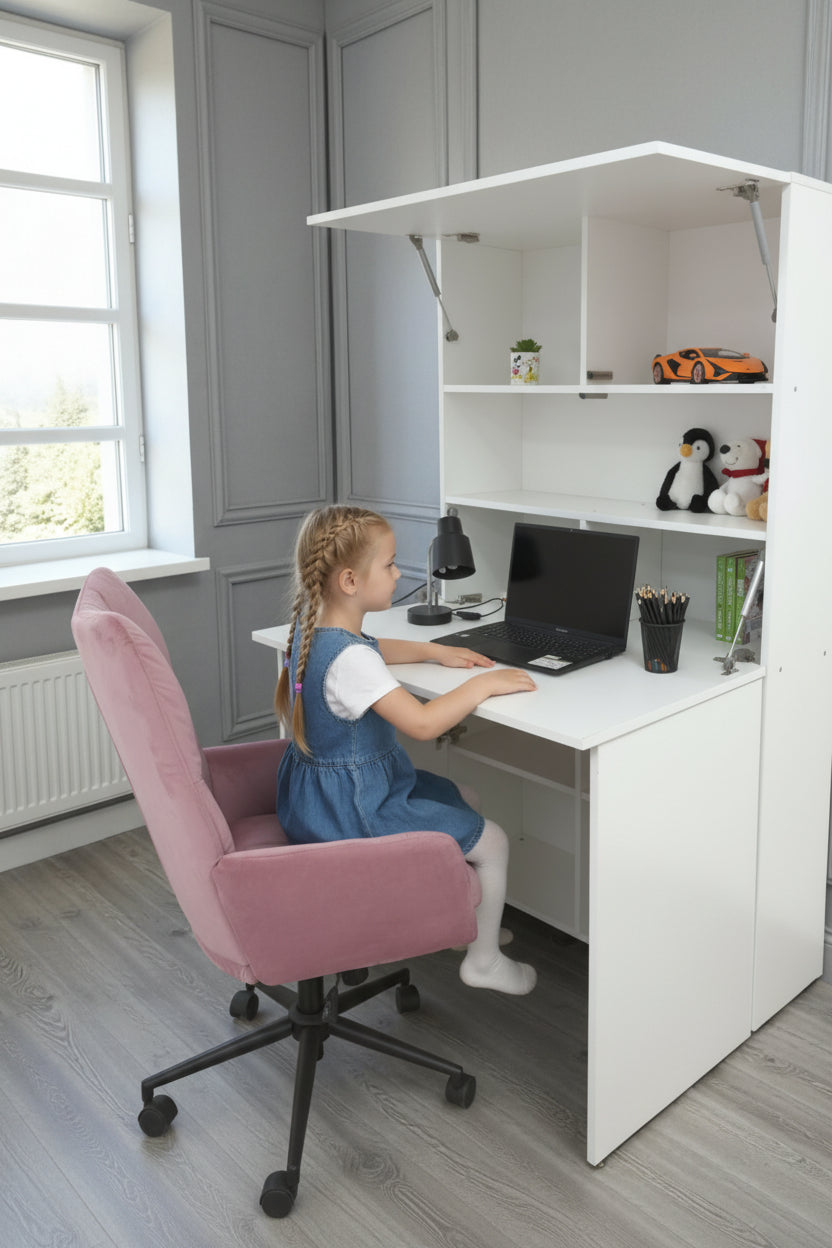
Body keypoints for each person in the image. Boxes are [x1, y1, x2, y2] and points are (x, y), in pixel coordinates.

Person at [276, 505, 537, 996]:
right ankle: (484, 962)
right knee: (495, 841)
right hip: (355, 811)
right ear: (350, 581)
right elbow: (422, 724)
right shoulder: (351, 661)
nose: (399, 574)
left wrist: (435, 651)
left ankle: (464, 927)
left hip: (317, 800)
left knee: (465, 797)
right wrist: (483, 684)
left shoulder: (317, 631)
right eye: (390, 564)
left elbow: (373, 649)